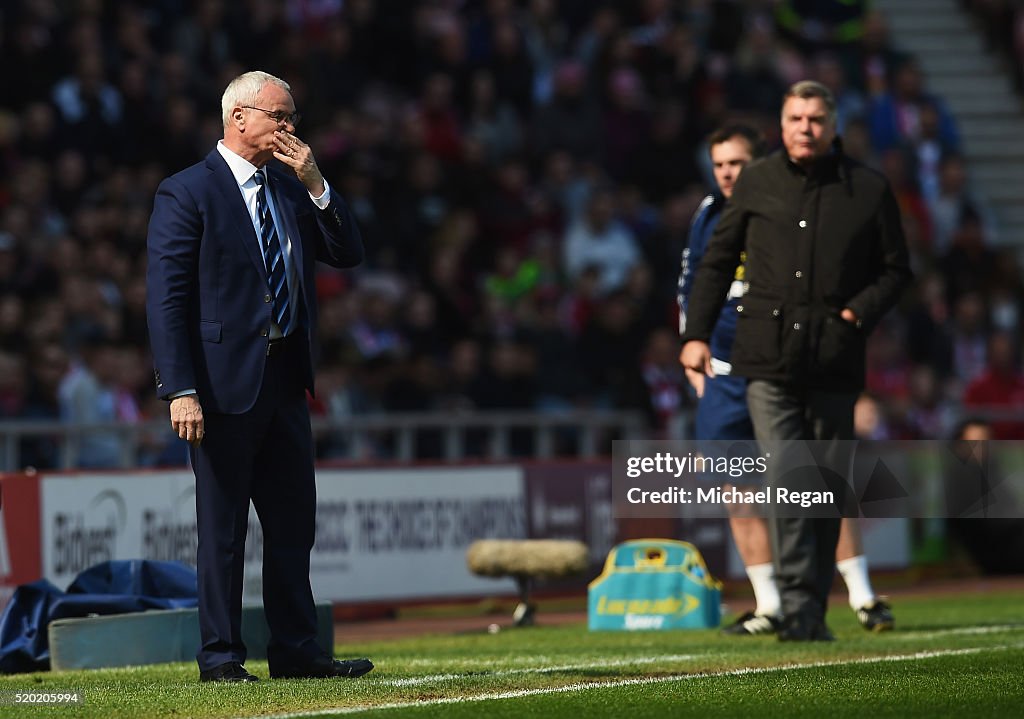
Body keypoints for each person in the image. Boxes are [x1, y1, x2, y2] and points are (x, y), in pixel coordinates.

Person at [146, 71, 373, 682]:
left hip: (284, 378)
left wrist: (318, 182)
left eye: (291, 115)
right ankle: (221, 660)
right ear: (239, 117)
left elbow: (348, 252)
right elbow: (167, 300)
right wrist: (181, 388)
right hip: (220, 388)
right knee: (222, 533)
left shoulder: (292, 187)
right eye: (280, 115)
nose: (290, 127)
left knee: (293, 524)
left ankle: (297, 654)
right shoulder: (186, 192)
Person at [680, 81, 912, 641]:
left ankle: (822, 602)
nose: (804, 128)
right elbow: (715, 264)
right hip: (766, 361)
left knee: (824, 486)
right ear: (780, 127)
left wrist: (856, 314)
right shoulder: (757, 185)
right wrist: (696, 335)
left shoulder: (867, 188)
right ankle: (793, 609)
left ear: (832, 125)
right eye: (794, 118)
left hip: (833, 361)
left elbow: (896, 270)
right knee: (786, 478)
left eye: (814, 118)